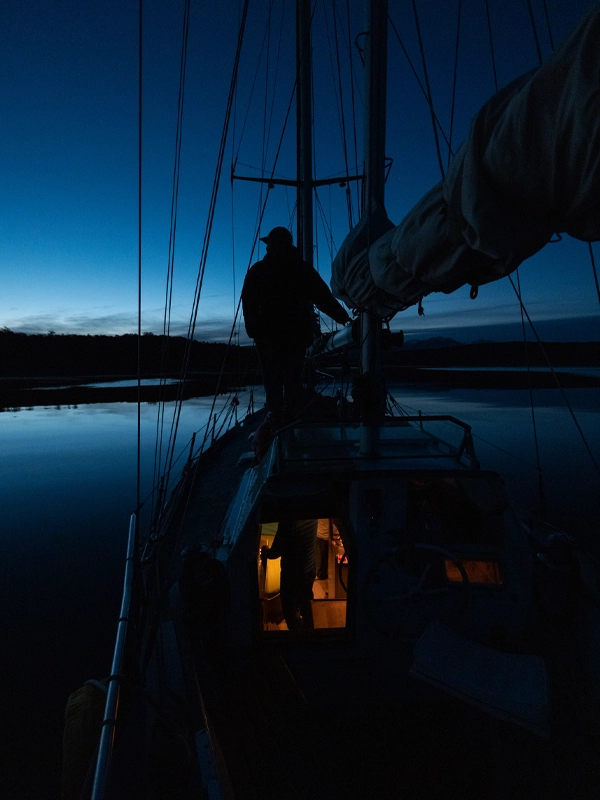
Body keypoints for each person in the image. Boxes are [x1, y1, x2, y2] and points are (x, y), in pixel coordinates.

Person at [241, 226, 351, 422]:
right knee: (288, 380)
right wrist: (344, 318)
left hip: (274, 338)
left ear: (278, 244)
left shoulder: (260, 270)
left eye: (269, 243)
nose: (267, 248)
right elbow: (323, 298)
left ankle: (278, 419)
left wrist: (254, 330)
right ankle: (286, 418)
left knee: (275, 380)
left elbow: (249, 302)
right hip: (289, 337)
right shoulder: (301, 270)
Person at [261, 518, 317, 630]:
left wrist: (265, 551)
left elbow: (275, 552)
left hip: (293, 575)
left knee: (291, 611)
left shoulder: (288, 522)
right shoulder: (313, 514)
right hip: (310, 567)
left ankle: (299, 637)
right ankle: (310, 632)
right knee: (306, 604)